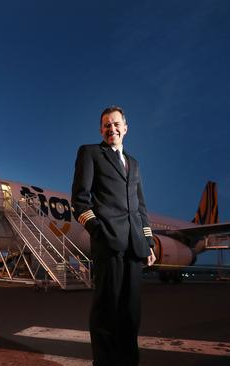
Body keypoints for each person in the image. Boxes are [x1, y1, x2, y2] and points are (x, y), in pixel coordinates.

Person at [71, 106, 156, 366]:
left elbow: (140, 208)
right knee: (106, 313)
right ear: (101, 129)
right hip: (109, 245)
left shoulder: (134, 163)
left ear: (126, 128)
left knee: (131, 315)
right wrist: (100, 232)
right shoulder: (90, 153)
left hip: (134, 247)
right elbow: (80, 202)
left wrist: (149, 243)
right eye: (107, 125)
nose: (112, 129)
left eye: (117, 124)